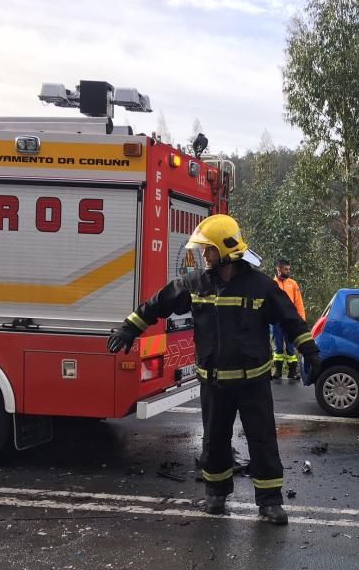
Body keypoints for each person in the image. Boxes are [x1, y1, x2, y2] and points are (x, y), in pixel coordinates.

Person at [107, 215, 321, 523]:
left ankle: (270, 502)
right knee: (215, 440)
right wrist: (130, 328)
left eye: (209, 250)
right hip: (214, 384)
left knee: (262, 439)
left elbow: (291, 320)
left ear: (226, 250)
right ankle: (216, 494)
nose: (205, 256)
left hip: (253, 383)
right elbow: (158, 304)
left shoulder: (261, 286)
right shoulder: (196, 284)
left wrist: (309, 351)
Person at [272, 258, 306, 380]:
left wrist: (302, 319)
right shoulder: (272, 284)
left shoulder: (293, 283)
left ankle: (293, 371)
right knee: (278, 347)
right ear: (278, 269)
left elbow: (299, 302)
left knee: (291, 346)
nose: (288, 271)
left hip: (291, 320)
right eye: (286, 269)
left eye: (289, 269)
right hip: (277, 321)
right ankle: (278, 371)